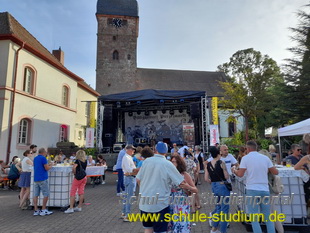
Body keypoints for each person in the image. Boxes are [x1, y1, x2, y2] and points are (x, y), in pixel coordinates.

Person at [136, 141, 188, 233]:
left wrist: (144, 190)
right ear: (166, 151)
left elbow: (138, 179)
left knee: (148, 228)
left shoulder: (146, 161)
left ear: (155, 150)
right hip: (160, 204)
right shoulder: (168, 164)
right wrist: (191, 189)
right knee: (160, 231)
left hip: (144, 203)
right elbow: (181, 182)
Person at [233, 141, 278, 233]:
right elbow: (275, 172)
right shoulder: (265, 158)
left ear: (248, 148)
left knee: (254, 218)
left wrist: (234, 170)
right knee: (267, 217)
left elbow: (240, 174)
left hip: (252, 189)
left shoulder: (245, 158)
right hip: (264, 189)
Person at [168, 155, 198, 233]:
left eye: (174, 162)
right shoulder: (168, 174)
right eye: (171, 162)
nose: (172, 163)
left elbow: (195, 190)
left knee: (182, 225)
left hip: (182, 204)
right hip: (170, 203)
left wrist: (188, 186)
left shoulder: (184, 175)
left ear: (179, 163)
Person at [205, 146, 230, 233]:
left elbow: (206, 179)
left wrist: (212, 181)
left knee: (218, 207)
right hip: (222, 186)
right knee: (224, 210)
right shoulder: (221, 162)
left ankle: (214, 227)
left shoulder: (208, 164)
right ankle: (222, 231)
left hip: (214, 186)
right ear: (219, 153)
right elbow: (226, 176)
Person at [259, 149, 284, 233]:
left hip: (267, 192)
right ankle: (280, 231)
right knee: (274, 214)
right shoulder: (270, 166)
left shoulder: (262, 167)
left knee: (270, 216)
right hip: (271, 192)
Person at [33, 148, 53, 216]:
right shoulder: (43, 158)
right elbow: (46, 168)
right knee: (46, 194)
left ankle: (36, 209)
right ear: (43, 152)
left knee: (36, 194)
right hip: (43, 177)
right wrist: (51, 166)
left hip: (36, 178)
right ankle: (43, 209)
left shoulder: (35, 158)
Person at [121, 144, 137, 222]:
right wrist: (135, 170)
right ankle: (127, 215)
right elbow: (129, 169)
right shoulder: (127, 158)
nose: (133, 151)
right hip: (129, 178)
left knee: (126, 196)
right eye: (132, 149)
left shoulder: (128, 157)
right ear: (128, 150)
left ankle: (124, 213)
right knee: (129, 197)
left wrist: (134, 170)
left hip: (129, 177)